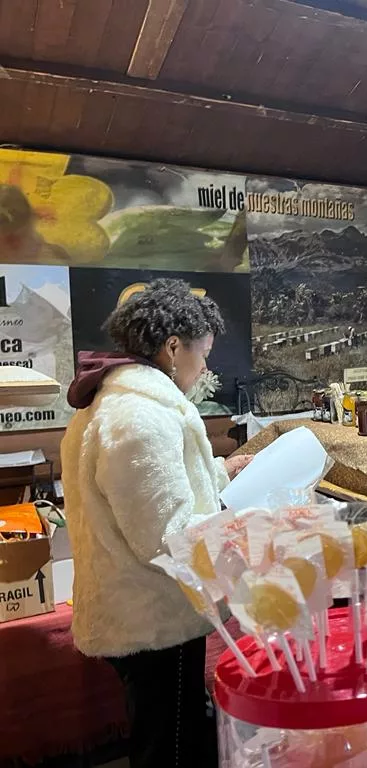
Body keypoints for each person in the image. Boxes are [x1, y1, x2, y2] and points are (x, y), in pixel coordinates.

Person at [60, 279, 254, 768]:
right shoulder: (139, 418)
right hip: (154, 617)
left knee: (170, 730)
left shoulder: (116, 406)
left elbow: (165, 488)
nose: (206, 366)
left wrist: (224, 472)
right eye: (203, 353)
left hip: (137, 610)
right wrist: (247, 527)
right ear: (172, 347)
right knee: (171, 746)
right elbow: (167, 536)